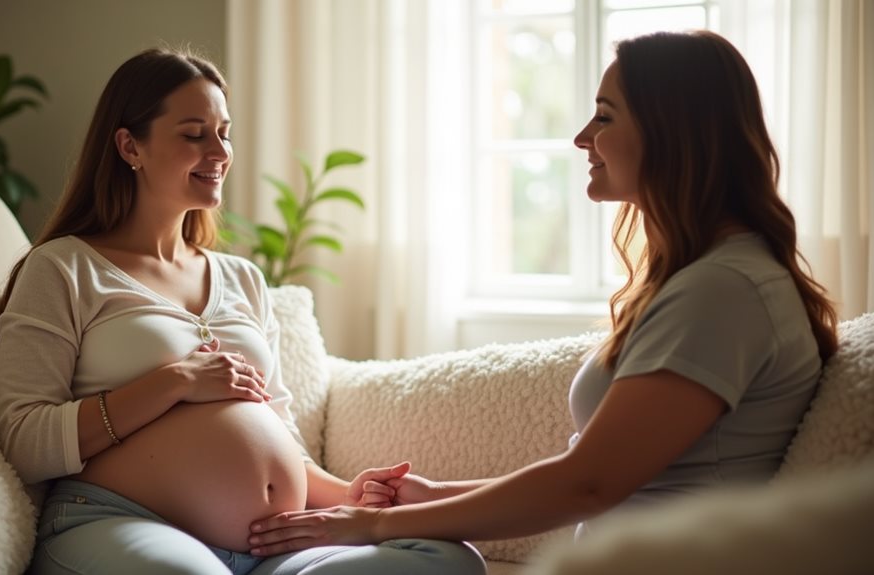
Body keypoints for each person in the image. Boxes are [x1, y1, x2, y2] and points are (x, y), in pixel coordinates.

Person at [245, 30, 840, 555]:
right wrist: (430, 498)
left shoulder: (723, 292)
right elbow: (596, 471)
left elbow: (587, 484)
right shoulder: (708, 279)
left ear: (672, 133)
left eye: (605, 116)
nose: (583, 137)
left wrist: (369, 529)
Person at [0, 47, 486, 575]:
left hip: (274, 544)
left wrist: (349, 496)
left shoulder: (243, 279)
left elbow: (280, 438)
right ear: (130, 145)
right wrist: (174, 382)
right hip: (122, 522)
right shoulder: (64, 267)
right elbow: (22, 439)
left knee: (448, 557)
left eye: (224, 132)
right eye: (194, 133)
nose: (220, 151)